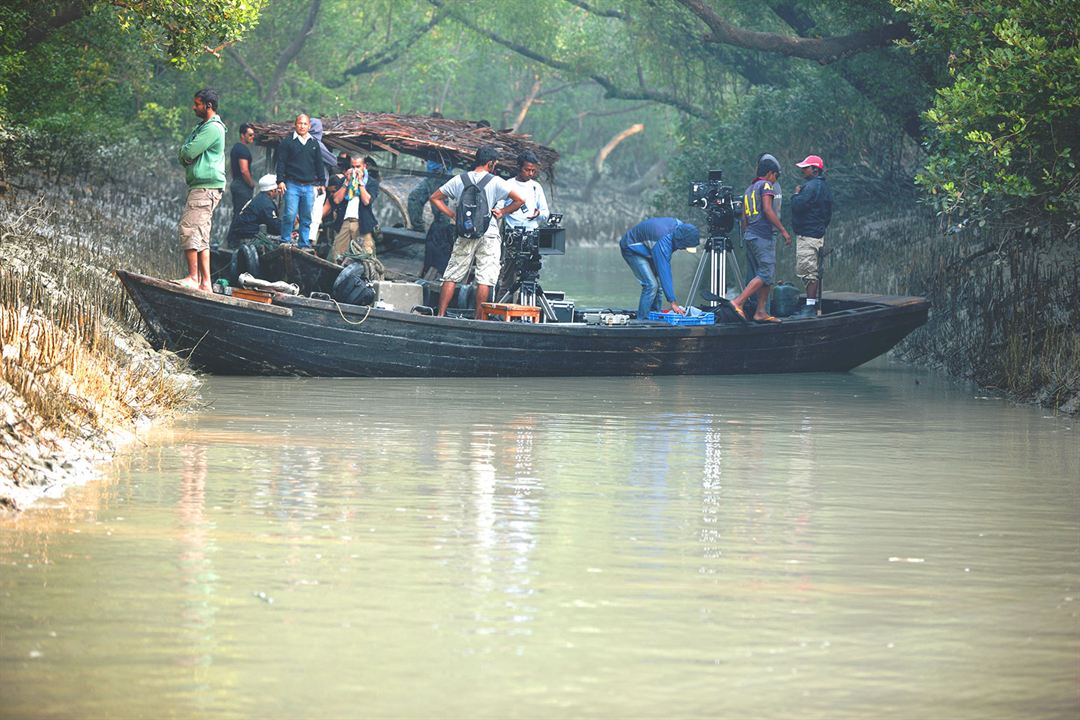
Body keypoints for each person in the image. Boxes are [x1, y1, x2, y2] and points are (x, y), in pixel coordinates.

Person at [430, 145, 525, 317]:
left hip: (464, 232)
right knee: (485, 278)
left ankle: (441, 315)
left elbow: (435, 198)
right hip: (489, 233)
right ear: (490, 164)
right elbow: (520, 200)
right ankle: (479, 318)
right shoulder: (496, 182)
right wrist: (502, 212)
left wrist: (453, 214)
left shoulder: (460, 179)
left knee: (451, 275)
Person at [730, 154, 791, 323]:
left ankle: (760, 312)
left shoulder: (749, 189)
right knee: (765, 273)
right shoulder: (766, 185)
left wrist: (748, 234)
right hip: (763, 236)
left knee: (766, 276)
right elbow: (768, 210)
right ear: (770, 173)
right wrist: (784, 231)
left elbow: (744, 218)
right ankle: (738, 302)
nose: (775, 181)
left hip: (750, 235)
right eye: (775, 177)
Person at [176, 88, 226, 292]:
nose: (194, 107)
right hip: (206, 187)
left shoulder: (212, 128)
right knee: (202, 235)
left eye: (197, 104)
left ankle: (193, 277)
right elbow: (185, 153)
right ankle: (206, 283)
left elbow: (188, 151)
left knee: (188, 228)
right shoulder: (203, 126)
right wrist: (185, 153)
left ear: (208, 106)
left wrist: (185, 154)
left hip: (205, 187)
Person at [619, 218, 700, 319]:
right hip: (631, 249)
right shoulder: (663, 241)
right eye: (685, 247)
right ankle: (642, 320)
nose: (683, 249)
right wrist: (673, 302)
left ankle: (655, 315)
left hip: (649, 249)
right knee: (651, 285)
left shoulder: (681, 228)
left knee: (659, 286)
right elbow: (664, 271)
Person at [789, 154, 833, 318]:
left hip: (808, 235)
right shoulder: (824, 187)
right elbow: (828, 214)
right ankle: (810, 305)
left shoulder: (811, 187)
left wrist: (795, 195)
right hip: (816, 233)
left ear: (815, 169)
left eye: (805, 168)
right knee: (810, 270)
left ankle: (809, 308)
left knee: (808, 272)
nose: (803, 170)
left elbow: (798, 206)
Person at [275, 113, 326, 250]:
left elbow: (319, 164)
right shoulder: (288, 142)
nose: (302, 126)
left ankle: (304, 243)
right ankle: (285, 240)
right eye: (300, 123)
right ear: (295, 124)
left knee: (306, 217)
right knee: (290, 214)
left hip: (309, 186)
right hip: (292, 184)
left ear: (309, 126)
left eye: (305, 124)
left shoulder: (314, 143)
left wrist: (322, 182)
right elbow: (281, 163)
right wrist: (280, 180)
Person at [331, 155, 381, 260]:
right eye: (353, 167)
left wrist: (360, 183)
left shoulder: (372, 182)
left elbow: (367, 201)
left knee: (366, 255)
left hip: (362, 222)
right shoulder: (343, 181)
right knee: (338, 254)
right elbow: (336, 200)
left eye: (358, 166)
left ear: (364, 166)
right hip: (344, 221)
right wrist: (346, 183)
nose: (355, 170)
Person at [306, 117, 338, 246]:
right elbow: (333, 161)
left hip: (302, 185)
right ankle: (310, 242)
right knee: (315, 216)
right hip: (316, 186)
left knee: (304, 214)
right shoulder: (316, 143)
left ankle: (299, 239)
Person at [225, 173, 282, 246]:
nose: (279, 192)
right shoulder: (266, 204)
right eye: (277, 189)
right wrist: (292, 224)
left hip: (241, 234)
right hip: (248, 237)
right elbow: (274, 226)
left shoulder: (260, 198)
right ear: (271, 191)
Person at [501, 150, 549, 231]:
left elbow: (546, 213)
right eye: (527, 170)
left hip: (532, 232)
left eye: (533, 170)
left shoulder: (536, 187)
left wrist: (539, 214)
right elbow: (499, 209)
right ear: (519, 168)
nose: (530, 173)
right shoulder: (507, 184)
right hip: (511, 233)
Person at [407, 153, 453, 233]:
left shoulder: (445, 142)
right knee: (414, 198)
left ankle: (443, 233)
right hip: (430, 175)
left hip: (440, 175)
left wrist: (443, 168)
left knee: (438, 207)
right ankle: (418, 228)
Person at [229, 123, 256, 218]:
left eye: (253, 135)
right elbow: (244, 170)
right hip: (242, 187)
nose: (252, 137)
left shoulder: (236, 148)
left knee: (238, 213)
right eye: (250, 135)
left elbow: (232, 169)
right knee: (242, 214)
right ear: (242, 135)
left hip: (236, 183)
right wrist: (251, 183)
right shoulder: (242, 150)